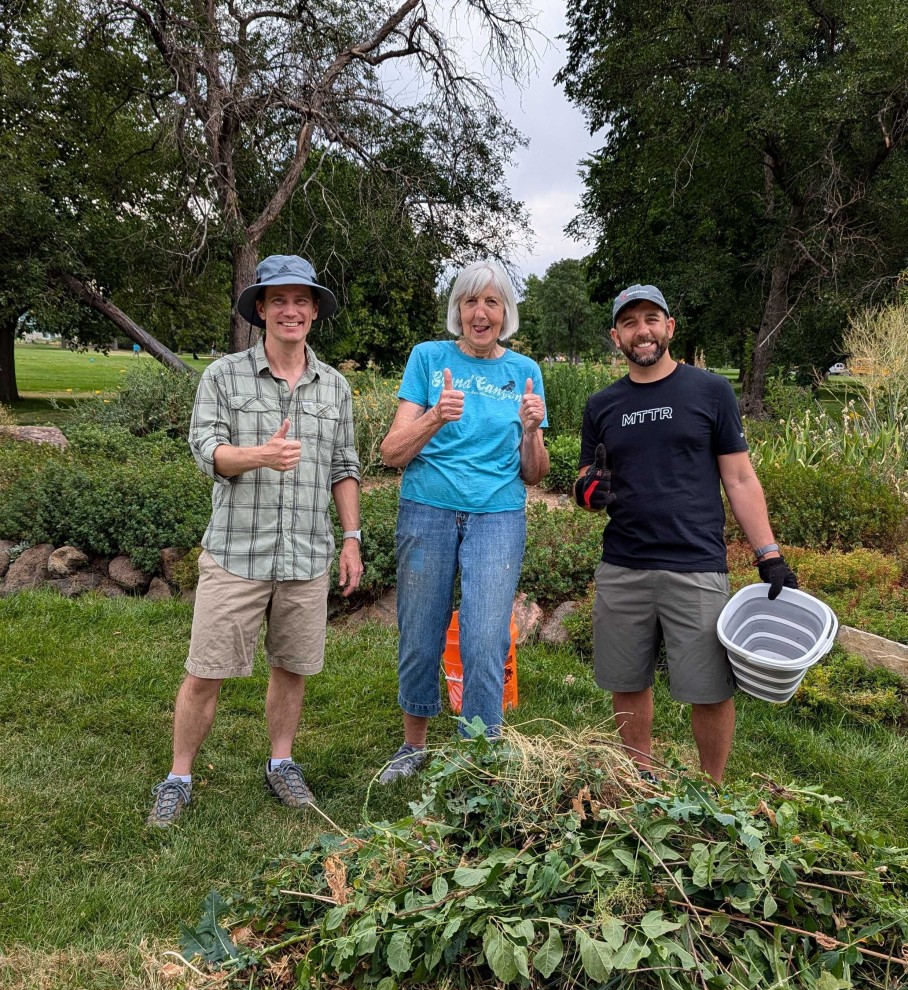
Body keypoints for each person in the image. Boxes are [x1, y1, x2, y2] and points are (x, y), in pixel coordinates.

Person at [147, 254, 363, 826]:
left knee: (291, 667)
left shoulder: (335, 387)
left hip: (306, 554)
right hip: (236, 553)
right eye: (278, 300)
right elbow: (206, 450)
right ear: (260, 310)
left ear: (314, 311)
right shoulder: (223, 376)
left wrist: (351, 537)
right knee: (206, 669)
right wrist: (261, 456)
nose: (290, 310)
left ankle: (281, 763)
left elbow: (345, 466)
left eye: (300, 300)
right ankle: (179, 775)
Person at [575, 284, 797, 784]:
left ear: (670, 327)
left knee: (710, 688)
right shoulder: (601, 405)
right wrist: (590, 489)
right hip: (623, 565)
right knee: (628, 682)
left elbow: (739, 478)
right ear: (616, 337)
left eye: (651, 318)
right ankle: (641, 781)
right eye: (630, 323)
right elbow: (585, 481)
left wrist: (769, 554)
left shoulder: (709, 391)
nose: (642, 330)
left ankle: (712, 792)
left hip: (695, 565)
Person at [377, 260, 549, 783]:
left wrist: (532, 431)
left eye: (491, 303)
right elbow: (390, 454)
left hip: (498, 513)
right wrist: (435, 415)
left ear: (505, 313)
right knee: (420, 630)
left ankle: (481, 753)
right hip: (427, 508)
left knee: (485, 635)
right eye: (470, 302)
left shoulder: (525, 371)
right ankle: (413, 746)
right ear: (457, 309)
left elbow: (536, 475)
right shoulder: (428, 359)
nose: (481, 313)